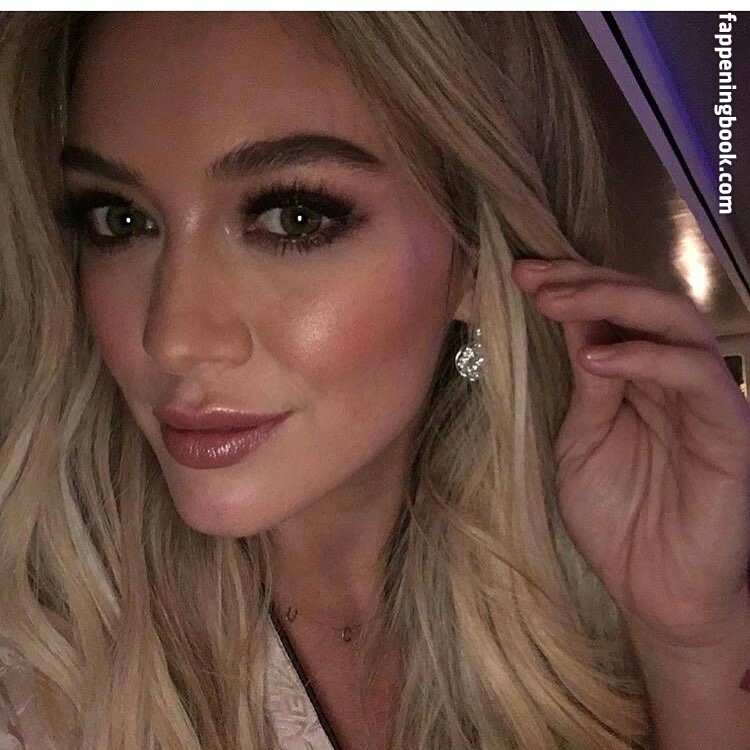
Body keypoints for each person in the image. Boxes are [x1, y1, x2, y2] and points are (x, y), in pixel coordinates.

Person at [0, 10, 748, 750]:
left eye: (293, 219)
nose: (172, 338)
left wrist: (690, 641)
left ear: (473, 259)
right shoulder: (36, 676)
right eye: (120, 220)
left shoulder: (610, 587)